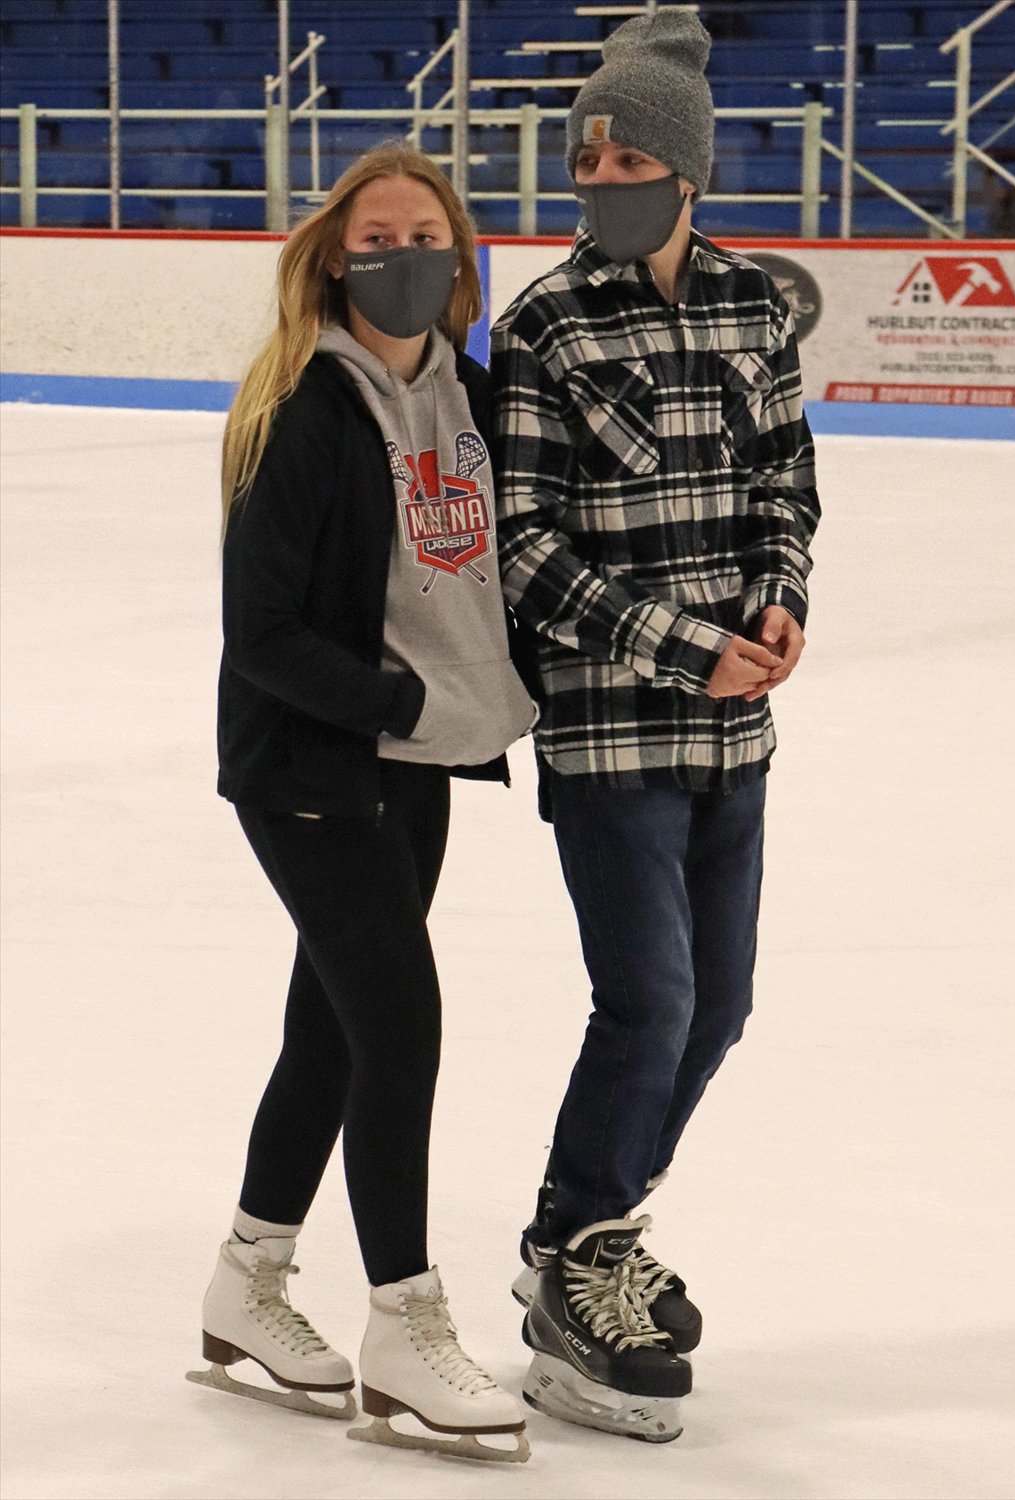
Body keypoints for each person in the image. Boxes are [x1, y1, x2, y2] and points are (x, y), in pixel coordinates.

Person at [491, 11, 820, 1442]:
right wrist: (692, 650)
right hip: (612, 728)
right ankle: (585, 1252)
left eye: (628, 153)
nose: (600, 175)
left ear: (687, 172)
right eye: (587, 156)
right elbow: (528, 548)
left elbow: (786, 482)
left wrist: (782, 597)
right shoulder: (544, 327)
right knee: (651, 1001)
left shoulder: (755, 305)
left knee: (722, 1004)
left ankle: (585, 1235)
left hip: (734, 738)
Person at [187, 144, 534, 1465]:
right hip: (308, 770)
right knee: (400, 1025)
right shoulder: (304, 408)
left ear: (458, 256)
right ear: (340, 256)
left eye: (428, 233)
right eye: (378, 234)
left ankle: (246, 1287)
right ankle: (405, 1330)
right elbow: (261, 632)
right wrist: (394, 705)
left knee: (331, 1034)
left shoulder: (471, 398)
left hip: (417, 766)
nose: (405, 252)